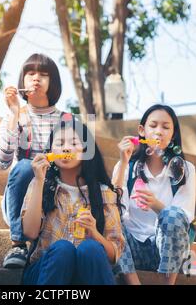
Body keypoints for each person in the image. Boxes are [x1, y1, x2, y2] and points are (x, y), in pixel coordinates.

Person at [21, 117, 125, 285]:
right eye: (60, 143)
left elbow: (114, 255)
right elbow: (29, 232)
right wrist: (39, 180)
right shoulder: (40, 184)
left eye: (74, 143)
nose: (66, 148)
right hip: (46, 272)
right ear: (50, 151)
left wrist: (94, 233)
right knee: (63, 249)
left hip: (87, 273)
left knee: (90, 248)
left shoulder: (104, 193)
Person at [0, 53, 66, 268]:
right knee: (25, 165)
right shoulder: (13, 116)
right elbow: (2, 163)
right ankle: (17, 243)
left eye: (44, 74)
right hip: (22, 195)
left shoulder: (67, 120)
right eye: (30, 73)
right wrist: (15, 113)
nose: (36, 79)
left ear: (53, 83)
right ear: (22, 81)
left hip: (55, 192)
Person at [112, 104, 196, 285]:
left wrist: (157, 205)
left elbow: (184, 216)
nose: (159, 132)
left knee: (172, 215)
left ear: (172, 135)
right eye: (153, 126)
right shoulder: (126, 166)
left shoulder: (186, 169)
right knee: (109, 216)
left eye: (166, 127)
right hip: (130, 250)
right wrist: (123, 161)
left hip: (165, 252)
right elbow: (113, 207)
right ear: (141, 131)